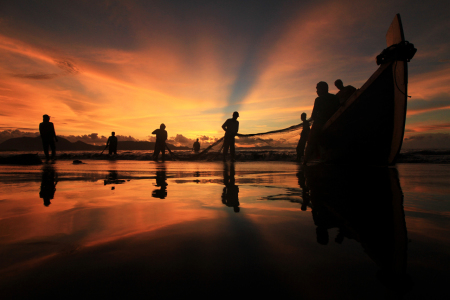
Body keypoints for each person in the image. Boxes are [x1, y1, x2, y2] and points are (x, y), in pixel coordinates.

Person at [304, 82, 340, 164]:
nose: (317, 91)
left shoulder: (318, 100)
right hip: (334, 122)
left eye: (317, 89)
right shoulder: (335, 97)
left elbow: (313, 115)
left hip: (320, 123)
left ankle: (305, 161)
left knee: (310, 140)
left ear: (322, 89)